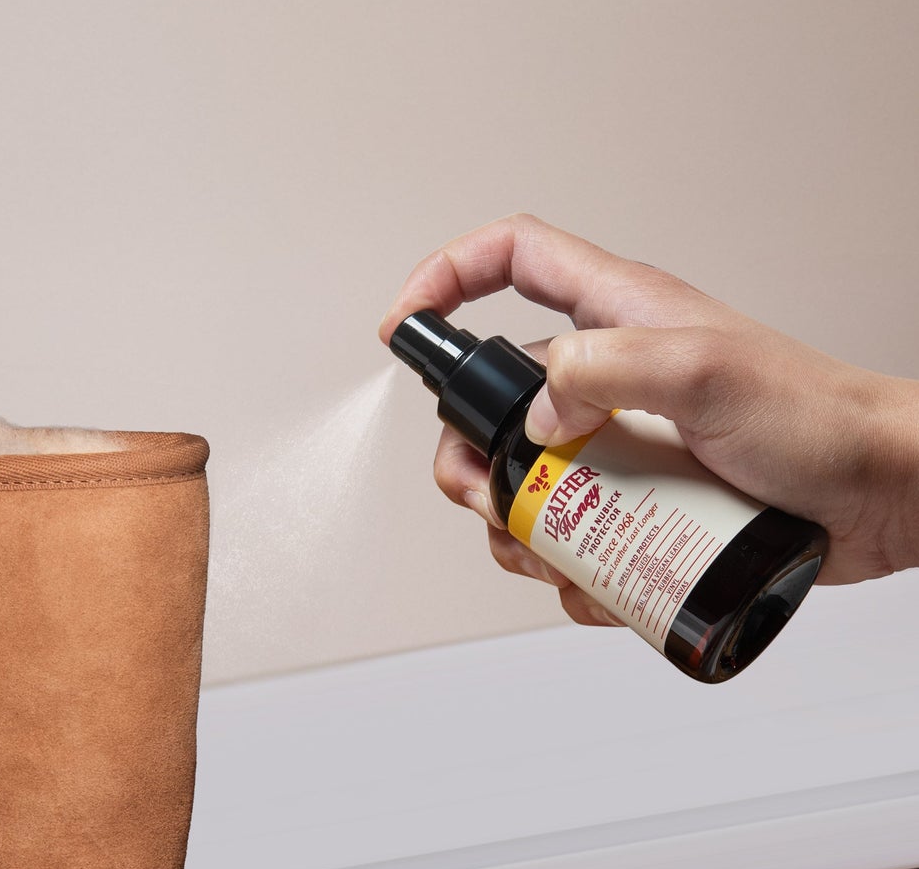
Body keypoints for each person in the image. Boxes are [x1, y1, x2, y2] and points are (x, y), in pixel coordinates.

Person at [380, 214, 919, 626]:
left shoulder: (587, 397)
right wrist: (885, 501)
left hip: (771, 561)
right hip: (705, 609)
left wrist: (878, 463)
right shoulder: (511, 481)